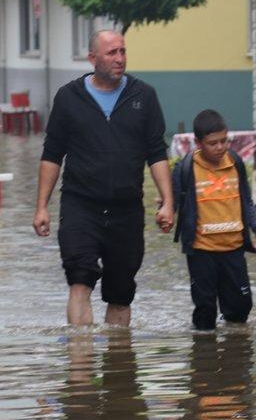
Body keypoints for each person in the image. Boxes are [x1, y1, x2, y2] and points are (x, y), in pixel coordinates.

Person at [33, 28, 174, 327]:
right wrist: (42, 206)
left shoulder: (144, 96)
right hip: (80, 206)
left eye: (123, 51)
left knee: (121, 292)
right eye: (112, 53)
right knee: (80, 278)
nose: (120, 59)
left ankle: (117, 368)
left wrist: (168, 202)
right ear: (92, 58)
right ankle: (81, 365)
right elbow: (52, 154)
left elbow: (157, 153)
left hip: (127, 209)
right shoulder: (69, 98)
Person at [172, 110, 256, 332]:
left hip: (233, 250)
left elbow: (246, 202)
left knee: (241, 308)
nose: (220, 147)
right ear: (198, 143)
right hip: (201, 252)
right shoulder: (185, 169)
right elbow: (173, 202)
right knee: (205, 311)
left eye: (224, 141)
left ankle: (235, 355)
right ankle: (204, 358)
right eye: (212, 143)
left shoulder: (235, 163)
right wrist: (166, 212)